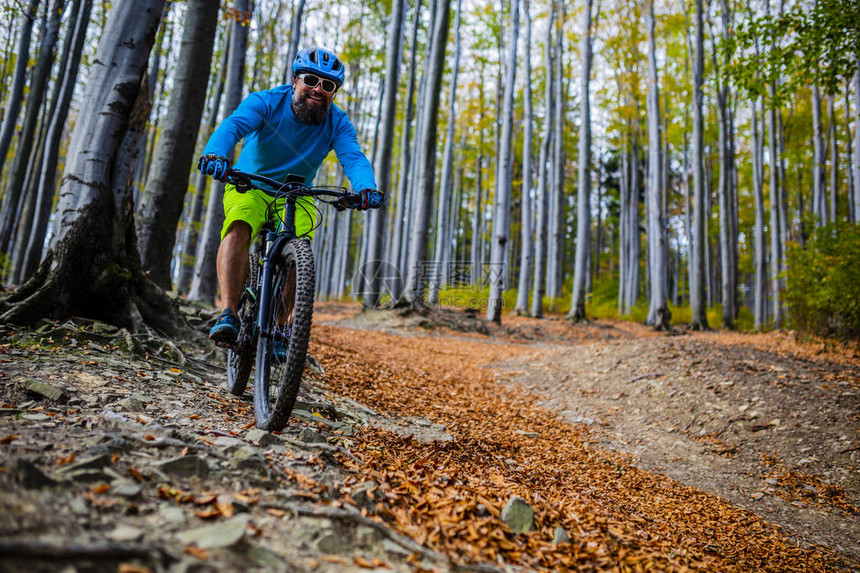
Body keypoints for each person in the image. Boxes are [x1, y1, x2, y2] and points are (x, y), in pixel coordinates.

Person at [198, 47, 384, 347]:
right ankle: (229, 313)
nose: (318, 90)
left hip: (296, 195)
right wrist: (215, 153)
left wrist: (366, 187)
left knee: (300, 254)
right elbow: (233, 126)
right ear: (295, 80)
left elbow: (353, 157)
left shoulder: (337, 121)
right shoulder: (266, 101)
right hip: (250, 184)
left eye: (328, 86)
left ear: (334, 93)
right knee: (240, 225)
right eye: (311, 80)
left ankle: (281, 329)